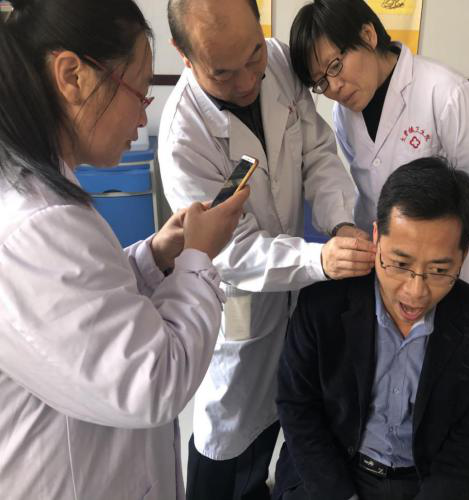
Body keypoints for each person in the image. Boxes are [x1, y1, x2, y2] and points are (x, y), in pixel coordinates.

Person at [0, 0, 249, 498]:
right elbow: (153, 382)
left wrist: (155, 255)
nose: (143, 112)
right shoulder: (36, 226)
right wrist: (198, 259)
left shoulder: (40, 195)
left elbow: (89, 307)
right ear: (72, 76)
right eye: (139, 89)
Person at [160, 0, 377, 498]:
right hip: (241, 303)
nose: (246, 82)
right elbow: (230, 250)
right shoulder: (184, 136)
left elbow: (317, 153)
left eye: (253, 55)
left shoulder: (278, 61)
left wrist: (340, 222)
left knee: (287, 413)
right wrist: (316, 259)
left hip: (296, 294)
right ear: (184, 55)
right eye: (223, 72)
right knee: (228, 431)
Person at [274, 157, 469, 500]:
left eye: (439, 270)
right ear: (376, 237)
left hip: (426, 480)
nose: (415, 292)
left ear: (463, 257)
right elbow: (298, 407)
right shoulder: (323, 304)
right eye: (399, 264)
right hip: (336, 471)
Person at [289, 0, 469, 281]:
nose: (334, 87)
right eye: (320, 82)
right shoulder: (342, 114)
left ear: (368, 35)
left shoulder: (446, 94)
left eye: (335, 66)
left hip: (432, 268)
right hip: (374, 259)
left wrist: (441, 248)